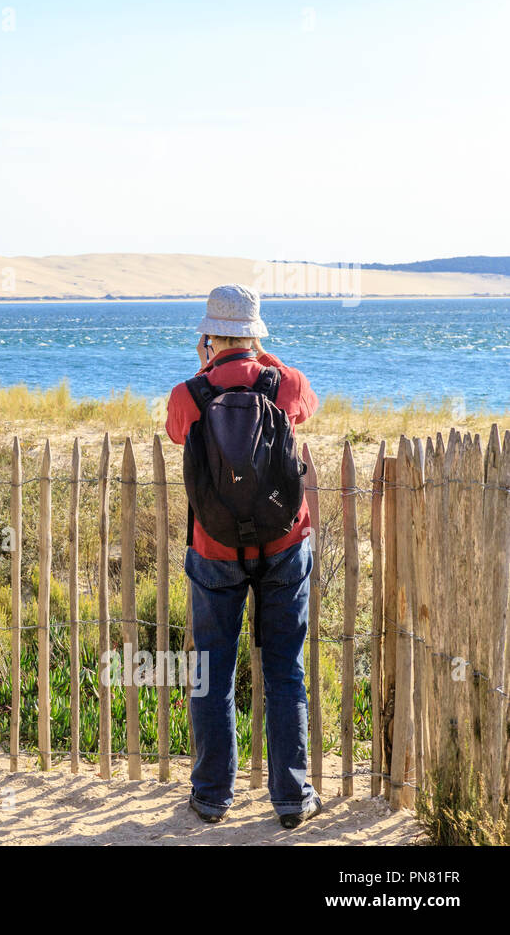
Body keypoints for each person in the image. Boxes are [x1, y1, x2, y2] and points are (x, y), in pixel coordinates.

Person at [164, 283, 322, 829]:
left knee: (211, 670)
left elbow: (175, 432)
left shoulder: (189, 394)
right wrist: (261, 358)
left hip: (214, 546)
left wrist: (209, 365)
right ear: (256, 335)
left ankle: (211, 796)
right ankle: (291, 798)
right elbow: (307, 403)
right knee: (284, 668)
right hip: (284, 543)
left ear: (209, 335)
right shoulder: (287, 383)